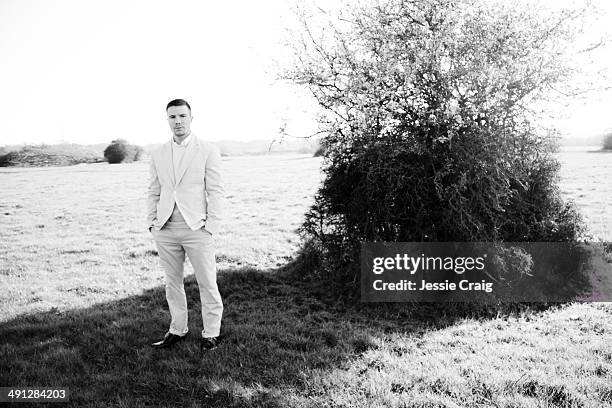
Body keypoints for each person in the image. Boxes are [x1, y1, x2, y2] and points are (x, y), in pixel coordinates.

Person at [146, 98, 224, 351]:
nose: (177, 121)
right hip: (166, 229)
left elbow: (216, 190)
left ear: (191, 118)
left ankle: (211, 333)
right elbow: (154, 190)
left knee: (207, 283)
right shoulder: (158, 152)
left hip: (197, 229)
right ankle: (177, 330)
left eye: (182, 116)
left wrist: (211, 225)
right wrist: (152, 223)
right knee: (172, 283)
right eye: (172, 117)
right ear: (167, 120)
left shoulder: (207, 149)